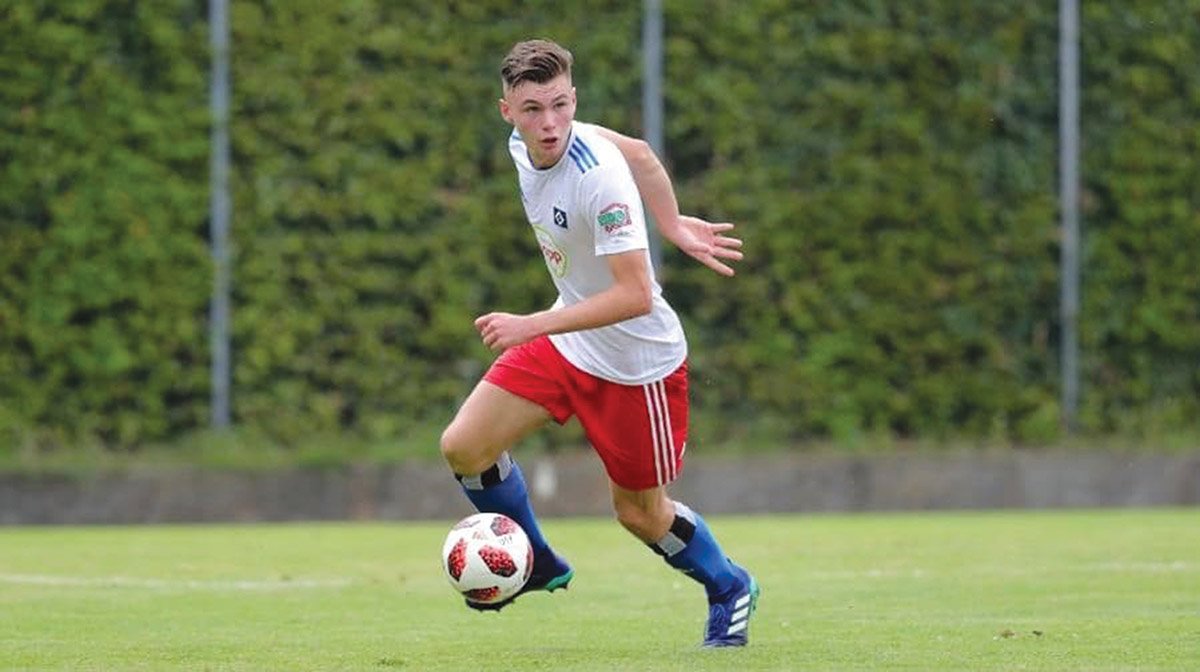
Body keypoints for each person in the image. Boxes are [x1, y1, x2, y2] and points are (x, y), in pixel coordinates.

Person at [439, 38, 758, 648]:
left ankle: (728, 585)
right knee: (465, 446)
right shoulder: (523, 146)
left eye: (561, 105)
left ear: (575, 99)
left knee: (639, 513)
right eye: (533, 109)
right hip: (571, 340)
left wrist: (530, 325)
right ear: (507, 112)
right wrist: (672, 222)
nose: (550, 123)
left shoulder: (596, 178)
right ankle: (537, 560)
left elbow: (636, 295)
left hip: (637, 363)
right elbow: (641, 151)